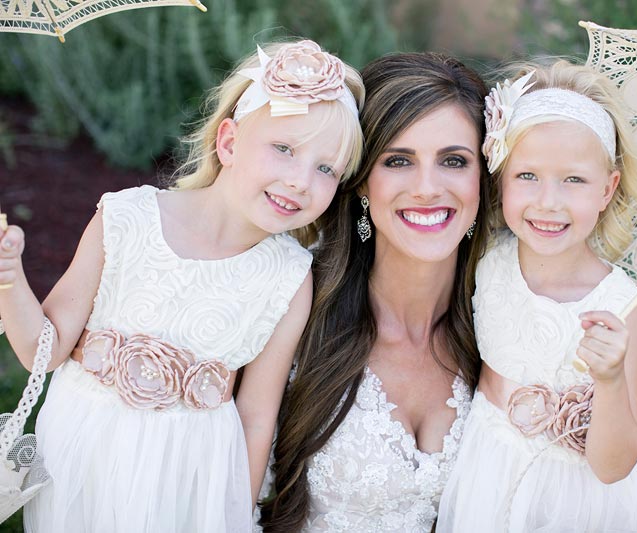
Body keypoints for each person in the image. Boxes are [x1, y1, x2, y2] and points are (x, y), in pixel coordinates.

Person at [0, 39, 364, 533]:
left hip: (191, 477)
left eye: (327, 169)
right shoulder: (127, 218)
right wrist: (8, 277)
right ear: (230, 142)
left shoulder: (288, 277)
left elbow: (257, 415)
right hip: (83, 455)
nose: (301, 180)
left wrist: (238, 511)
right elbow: (42, 349)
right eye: (284, 149)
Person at [437, 60, 637, 532]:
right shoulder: (487, 260)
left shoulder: (624, 306)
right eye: (528, 176)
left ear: (607, 190)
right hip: (490, 470)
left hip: (582, 500)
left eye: (574, 180)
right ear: (500, 176)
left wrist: (608, 380)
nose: (549, 201)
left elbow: (613, 465)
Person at [258, 52, 490, 532]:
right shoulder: (295, 305)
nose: (427, 188)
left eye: (453, 160)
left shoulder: (500, 328)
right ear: (362, 182)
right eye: (399, 160)